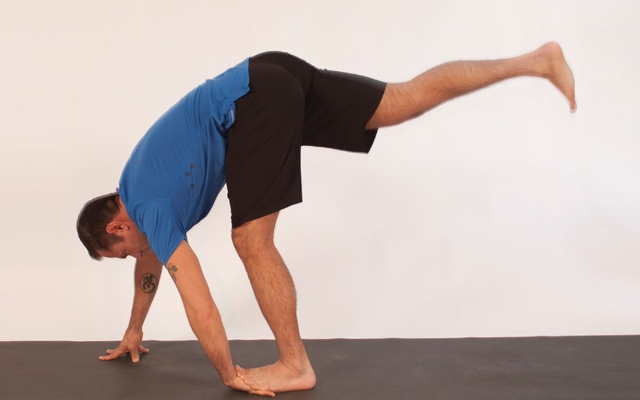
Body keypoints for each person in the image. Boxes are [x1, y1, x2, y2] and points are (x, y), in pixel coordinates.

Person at [77, 42, 576, 397]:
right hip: (270, 71)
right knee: (401, 101)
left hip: (252, 101)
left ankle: (294, 364)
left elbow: (197, 299)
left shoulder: (149, 207)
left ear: (118, 227)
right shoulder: (137, 189)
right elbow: (151, 261)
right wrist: (135, 329)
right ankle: (537, 61)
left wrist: (228, 373)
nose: (135, 258)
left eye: (122, 253)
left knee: (250, 241)